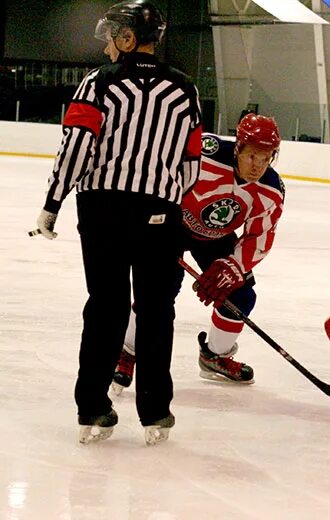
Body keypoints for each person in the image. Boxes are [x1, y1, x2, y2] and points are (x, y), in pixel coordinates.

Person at [34, 0, 203, 445]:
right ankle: (155, 411)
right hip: (160, 214)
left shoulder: (97, 83)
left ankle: (92, 407)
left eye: (112, 35)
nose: (107, 43)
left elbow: (75, 150)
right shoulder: (185, 88)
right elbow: (191, 161)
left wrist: (52, 202)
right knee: (156, 312)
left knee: (106, 307)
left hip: (103, 211)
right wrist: (167, 201)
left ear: (127, 38)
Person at [112, 113, 284, 391]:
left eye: (266, 158)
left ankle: (214, 355)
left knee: (241, 296)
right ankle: (128, 350)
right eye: (253, 156)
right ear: (238, 147)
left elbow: (260, 236)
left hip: (216, 238)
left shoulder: (271, 190)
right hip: (172, 226)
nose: (258, 166)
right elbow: (158, 176)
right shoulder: (206, 155)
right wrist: (150, 222)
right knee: (158, 289)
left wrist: (233, 266)